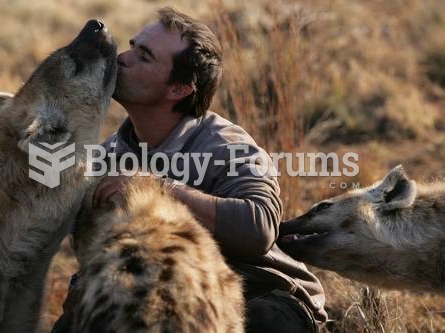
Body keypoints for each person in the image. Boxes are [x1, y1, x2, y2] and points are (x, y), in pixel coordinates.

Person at [56, 7, 327, 332]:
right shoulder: (111, 152)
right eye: (132, 46)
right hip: (163, 293)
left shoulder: (226, 146)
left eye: (144, 57)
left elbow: (260, 228)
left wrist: (155, 188)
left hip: (261, 289)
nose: (123, 58)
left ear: (179, 89)